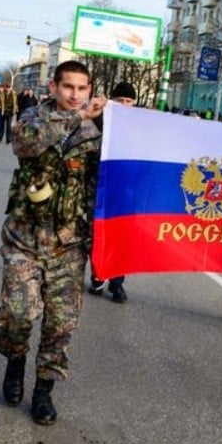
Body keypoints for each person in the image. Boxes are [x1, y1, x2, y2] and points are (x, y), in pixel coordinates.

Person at [0, 60, 106, 426]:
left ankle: (43, 391)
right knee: (18, 314)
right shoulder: (33, 118)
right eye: (68, 87)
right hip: (24, 238)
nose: (75, 95)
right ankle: (15, 361)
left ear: (90, 89)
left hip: (69, 244)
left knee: (61, 324)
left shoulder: (102, 132)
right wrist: (78, 119)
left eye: (82, 88)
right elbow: (25, 145)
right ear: (54, 88)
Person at [88, 81, 137, 303]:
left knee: (122, 238)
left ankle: (118, 284)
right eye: (120, 101)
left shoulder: (140, 126)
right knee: (98, 235)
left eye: (128, 101)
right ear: (112, 101)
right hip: (100, 187)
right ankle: (98, 276)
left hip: (126, 192)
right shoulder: (100, 120)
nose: (124, 105)